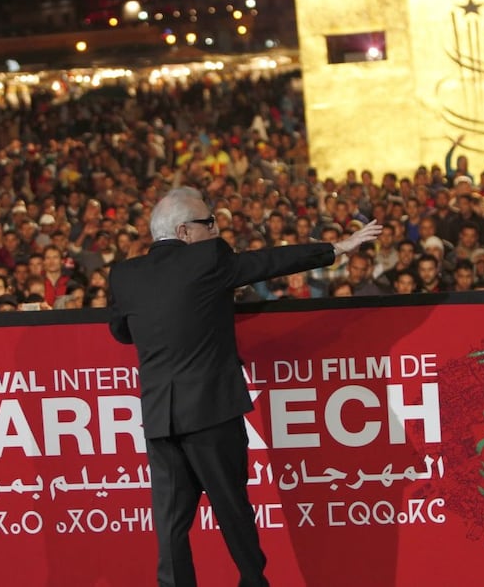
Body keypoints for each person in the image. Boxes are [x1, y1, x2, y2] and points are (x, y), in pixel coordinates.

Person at [107, 186, 381, 587]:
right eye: (209, 223)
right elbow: (269, 262)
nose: (217, 230)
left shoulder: (124, 274)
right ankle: (254, 582)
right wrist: (337, 247)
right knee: (232, 509)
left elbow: (121, 332)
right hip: (211, 412)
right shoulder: (208, 258)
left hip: (159, 418)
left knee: (170, 523)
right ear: (184, 232)